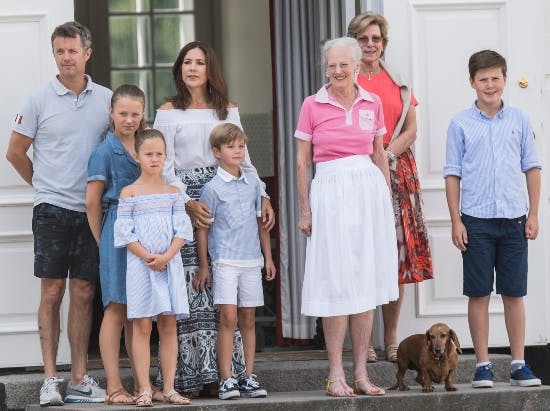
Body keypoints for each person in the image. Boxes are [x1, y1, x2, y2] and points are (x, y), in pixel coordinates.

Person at [152, 41, 275, 396]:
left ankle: (232, 375)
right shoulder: (168, 111)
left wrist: (263, 194)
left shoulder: (228, 110)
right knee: (196, 287)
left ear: (210, 70)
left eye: (200, 63)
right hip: (185, 198)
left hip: (232, 195)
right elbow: (165, 164)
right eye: (187, 62)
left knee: (229, 295)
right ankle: (192, 376)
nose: (193, 68)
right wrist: (188, 201)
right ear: (179, 70)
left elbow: (244, 159)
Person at [6, 21, 110, 406]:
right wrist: (43, 186)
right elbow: (15, 152)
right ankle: (50, 378)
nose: (66, 58)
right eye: (60, 51)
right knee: (52, 292)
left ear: (87, 53)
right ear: (54, 54)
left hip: (91, 211)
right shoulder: (38, 100)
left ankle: (79, 378)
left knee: (84, 292)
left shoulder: (106, 99)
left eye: (72, 51)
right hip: (51, 209)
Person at [295, 36, 398, 397]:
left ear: (357, 67)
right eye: (332, 65)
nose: (337, 70)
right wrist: (305, 208)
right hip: (331, 189)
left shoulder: (373, 102)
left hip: (367, 191)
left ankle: (361, 374)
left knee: (365, 280)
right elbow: (302, 161)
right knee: (336, 280)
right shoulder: (312, 104)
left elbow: (380, 154)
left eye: (344, 64)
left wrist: (386, 199)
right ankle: (335, 372)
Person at [444, 49, 542, 388]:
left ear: (504, 79)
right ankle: (483, 364)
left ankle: (518, 363)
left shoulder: (519, 120)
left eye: (496, 78)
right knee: (479, 293)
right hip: (477, 222)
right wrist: (456, 220)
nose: (490, 85)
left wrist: (533, 213)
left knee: (515, 293)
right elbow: (452, 174)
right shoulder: (460, 123)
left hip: (514, 220)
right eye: (483, 79)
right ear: (472, 82)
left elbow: (531, 167)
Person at [347, 12, 434, 363]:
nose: (370, 45)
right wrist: (369, 157)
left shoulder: (397, 81)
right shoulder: (345, 79)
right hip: (356, 172)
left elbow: (412, 128)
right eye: (364, 39)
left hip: (397, 173)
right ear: (355, 42)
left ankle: (392, 339)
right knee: (362, 256)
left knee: (396, 257)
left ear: (384, 43)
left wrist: (385, 153)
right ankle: (363, 340)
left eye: (376, 39)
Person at [195, 123, 276, 400]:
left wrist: (268, 258)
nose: (238, 151)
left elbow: (261, 223)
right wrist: (204, 265)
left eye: (241, 146)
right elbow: (202, 229)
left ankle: (249, 377)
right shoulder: (212, 189)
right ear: (217, 152)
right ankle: (226, 378)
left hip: (252, 260)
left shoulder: (254, 183)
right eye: (231, 147)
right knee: (228, 319)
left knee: (249, 319)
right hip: (225, 261)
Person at [114, 129, 193, 406]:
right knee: (143, 326)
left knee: (169, 324)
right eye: (149, 154)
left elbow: (182, 230)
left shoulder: (173, 192)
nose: (155, 158)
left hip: (169, 265)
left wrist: (167, 256)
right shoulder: (130, 193)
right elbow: (124, 233)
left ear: (166, 156)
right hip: (141, 267)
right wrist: (148, 256)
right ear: (136, 156)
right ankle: (145, 388)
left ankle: (169, 387)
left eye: (160, 154)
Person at [86, 84, 147, 404]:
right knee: (116, 308)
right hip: (116, 230)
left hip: (147, 231)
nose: (129, 119)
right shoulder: (104, 151)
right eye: (122, 113)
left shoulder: (146, 144)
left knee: (140, 312)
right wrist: (102, 242)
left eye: (135, 113)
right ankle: (113, 385)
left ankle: (142, 386)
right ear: (111, 113)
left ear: (143, 114)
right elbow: (92, 202)